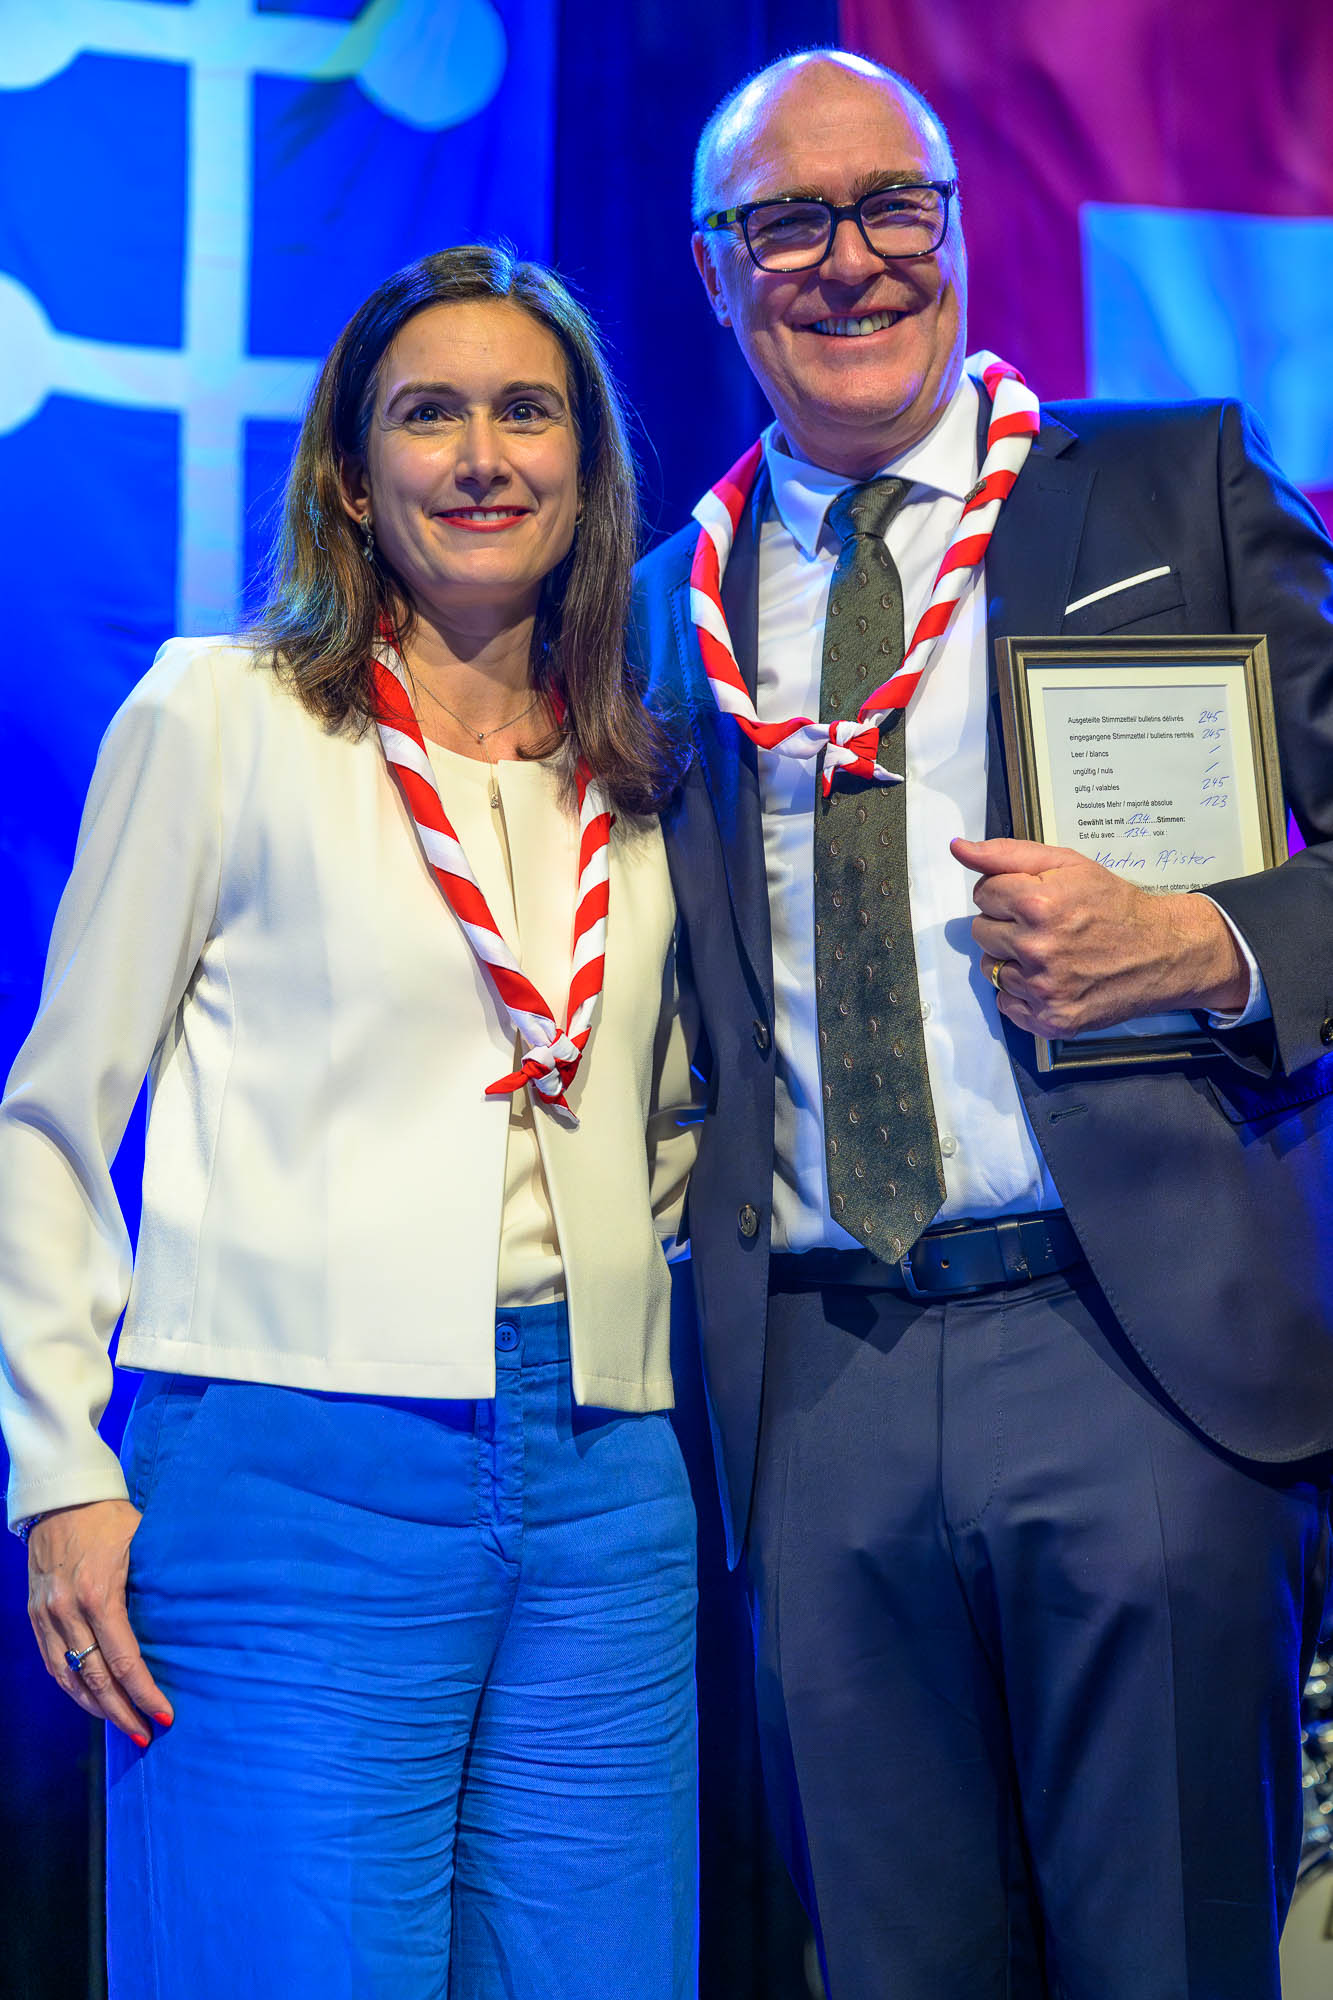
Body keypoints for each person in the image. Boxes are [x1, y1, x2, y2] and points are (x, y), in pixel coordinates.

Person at [630, 47, 1333, 2000]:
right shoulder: (661, 608)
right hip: (814, 1382)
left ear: (955, 227)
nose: (849, 260)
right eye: (788, 220)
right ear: (711, 269)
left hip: (1136, 1352)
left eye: (892, 208)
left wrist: (1201, 939)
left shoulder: (1168, 484)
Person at [0, 244, 700, 2000]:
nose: (481, 456)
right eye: (428, 414)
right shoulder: (221, 715)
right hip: (292, 1476)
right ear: (349, 475)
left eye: (525, 412)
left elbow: (667, 1118)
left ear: (587, 467)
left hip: (607, 1487)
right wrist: (61, 1466)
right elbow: (52, 1120)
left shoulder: (633, 760)